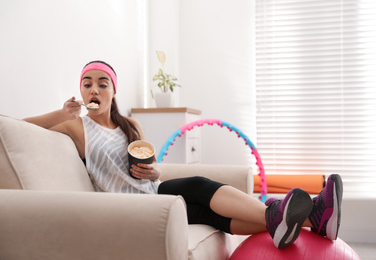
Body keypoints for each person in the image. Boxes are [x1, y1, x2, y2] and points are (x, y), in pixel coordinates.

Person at [24, 60, 343, 249]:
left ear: (113, 90)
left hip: (151, 191)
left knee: (206, 205)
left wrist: (154, 172)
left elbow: (151, 168)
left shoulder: (131, 125)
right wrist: (60, 114)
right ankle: (294, 212)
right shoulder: (76, 127)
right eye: (87, 84)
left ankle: (308, 218)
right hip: (129, 206)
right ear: (81, 91)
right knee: (197, 189)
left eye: (102, 83)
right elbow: (12, 127)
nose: (94, 89)